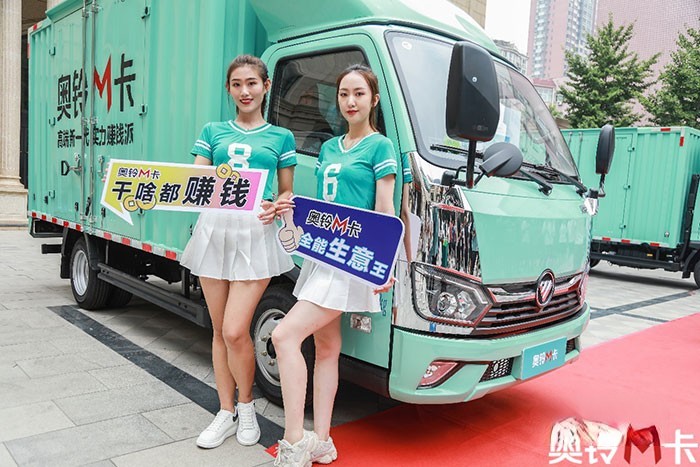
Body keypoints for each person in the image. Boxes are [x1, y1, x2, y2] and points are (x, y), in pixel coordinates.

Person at [271, 64, 397, 467]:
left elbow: (385, 209)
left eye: (359, 93)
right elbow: (325, 205)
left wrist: (384, 264)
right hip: (322, 254)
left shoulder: (381, 147)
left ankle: (294, 442)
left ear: (374, 99)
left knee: (284, 336)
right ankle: (322, 441)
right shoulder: (328, 147)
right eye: (344, 93)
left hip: (351, 259)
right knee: (327, 347)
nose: (350, 101)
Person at [180, 55, 297, 449]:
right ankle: (225, 412)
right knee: (219, 331)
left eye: (251, 83)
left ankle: (246, 407)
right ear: (229, 89)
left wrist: (277, 204)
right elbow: (196, 180)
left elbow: (286, 192)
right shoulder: (212, 132)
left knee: (235, 330)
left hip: (256, 235)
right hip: (214, 231)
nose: (244, 91)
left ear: (265, 86)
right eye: (236, 84)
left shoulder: (281, 137)